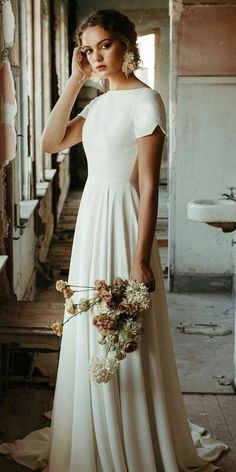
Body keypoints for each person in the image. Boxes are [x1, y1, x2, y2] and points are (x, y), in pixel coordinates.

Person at [0, 9, 227, 472]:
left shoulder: (147, 103)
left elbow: (147, 187)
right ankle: (92, 430)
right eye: (88, 47)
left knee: (127, 332)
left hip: (125, 224)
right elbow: (49, 142)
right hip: (91, 222)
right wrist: (72, 80)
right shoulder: (98, 104)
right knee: (91, 326)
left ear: (126, 44)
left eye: (104, 44)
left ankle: (133, 432)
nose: (96, 55)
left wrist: (142, 258)